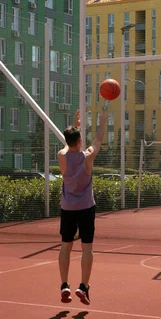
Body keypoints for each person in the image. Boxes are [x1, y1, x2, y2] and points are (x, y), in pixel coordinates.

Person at [57, 108, 107, 305]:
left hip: (67, 208)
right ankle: (83, 286)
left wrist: (75, 127)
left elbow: (66, 147)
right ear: (79, 141)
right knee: (87, 248)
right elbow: (98, 140)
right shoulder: (87, 157)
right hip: (86, 208)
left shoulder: (61, 156)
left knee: (65, 246)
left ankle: (64, 285)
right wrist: (102, 120)